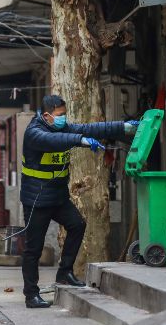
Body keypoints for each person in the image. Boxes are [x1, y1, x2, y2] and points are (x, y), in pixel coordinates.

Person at [20, 95, 138, 309]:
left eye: (65, 114)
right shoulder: (34, 133)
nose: (64, 118)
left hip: (58, 197)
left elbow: (91, 128)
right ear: (46, 116)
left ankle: (64, 273)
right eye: (60, 115)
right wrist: (80, 140)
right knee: (34, 248)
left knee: (77, 225)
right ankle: (31, 294)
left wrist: (124, 127)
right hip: (37, 198)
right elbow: (54, 141)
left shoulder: (61, 127)